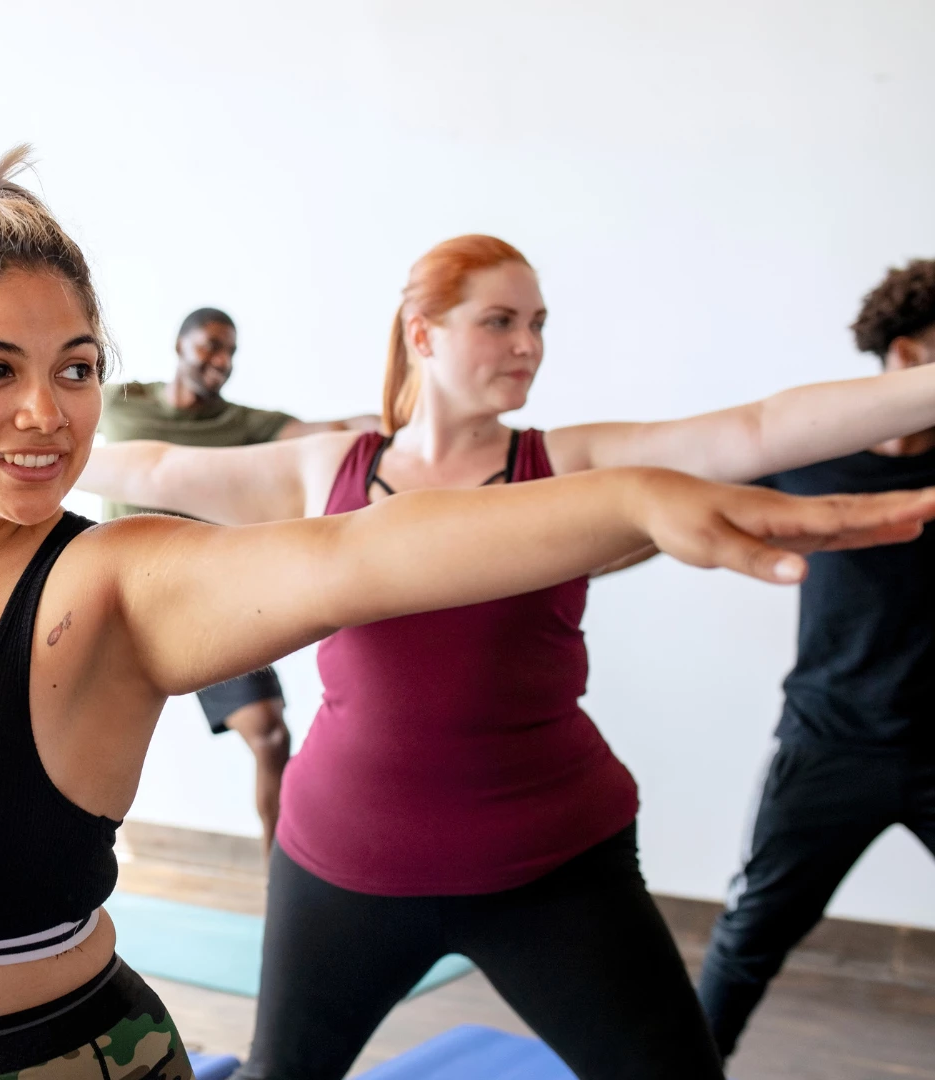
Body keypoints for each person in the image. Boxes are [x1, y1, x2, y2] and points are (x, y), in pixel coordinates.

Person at [0, 159, 935, 1080]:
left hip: (80, 1054)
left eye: (74, 367)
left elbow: (378, 559)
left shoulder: (117, 584)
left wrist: (631, 505)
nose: (47, 412)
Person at [77, 235, 935, 1080]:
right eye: (500, 321)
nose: (529, 346)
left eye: (538, 323)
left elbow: (758, 427)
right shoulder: (328, 468)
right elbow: (151, 463)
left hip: (550, 861)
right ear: (423, 334)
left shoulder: (563, 465)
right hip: (345, 861)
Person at [697, 258, 935, 1061]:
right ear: (904, 355)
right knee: (751, 935)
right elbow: (686, 496)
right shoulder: (809, 455)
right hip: (830, 743)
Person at [101, 310, 378, 844]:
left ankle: (281, 876)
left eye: (230, 353)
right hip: (121, 600)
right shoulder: (120, 401)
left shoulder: (239, 424)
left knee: (271, 736)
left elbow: (334, 430)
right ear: (179, 345)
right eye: (210, 348)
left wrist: (401, 422)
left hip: (206, 602)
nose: (220, 363)